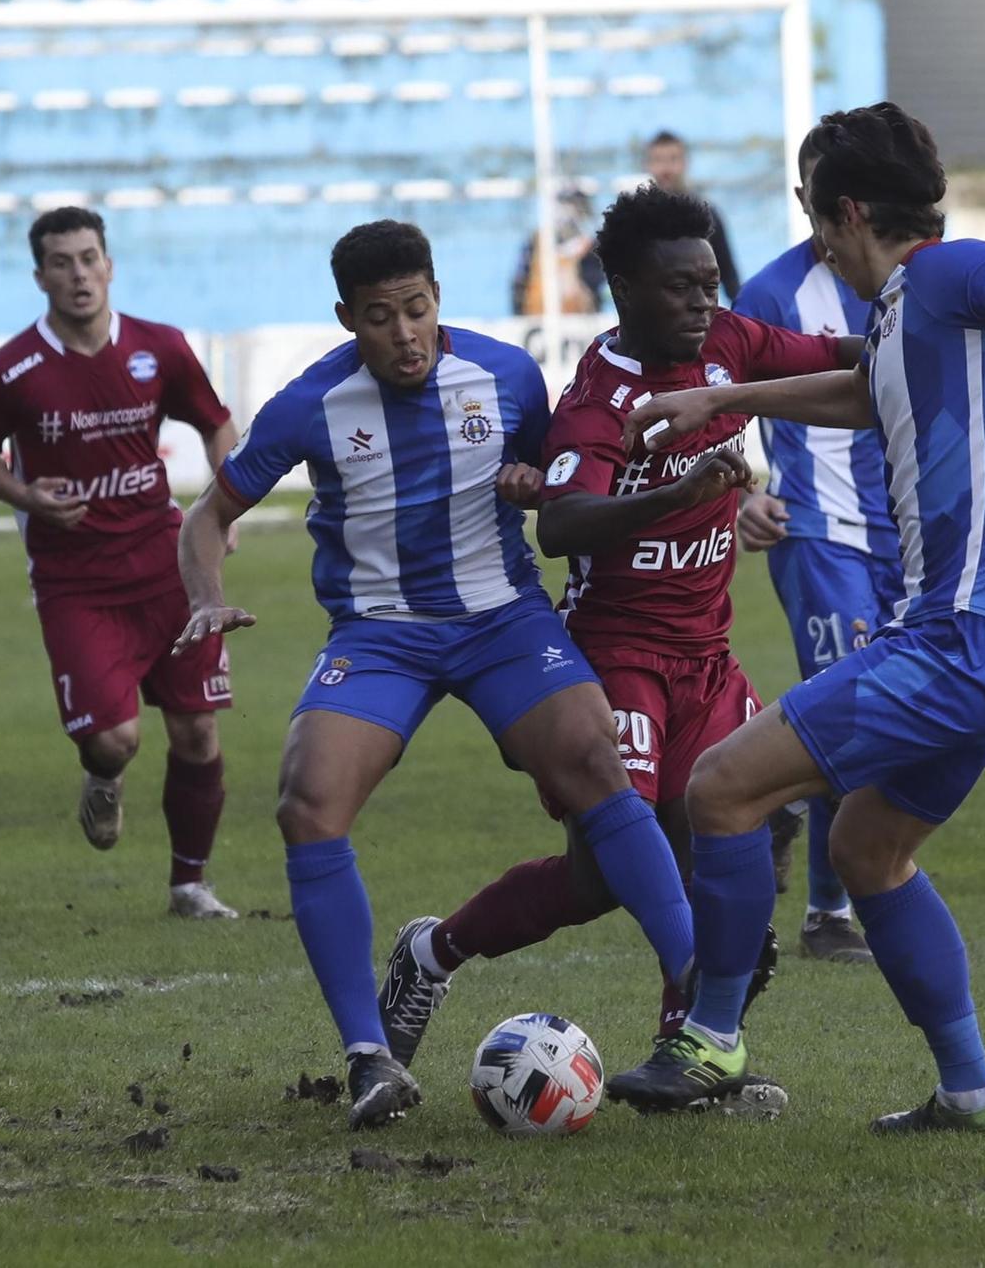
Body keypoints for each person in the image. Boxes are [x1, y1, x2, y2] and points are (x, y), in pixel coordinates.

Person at [600, 102, 985, 1133]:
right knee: (869, 848)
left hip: (961, 637)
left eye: (810, 210)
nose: (811, 233)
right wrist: (724, 404)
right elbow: (862, 392)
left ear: (845, 211)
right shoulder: (902, 312)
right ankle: (968, 1091)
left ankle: (709, 1040)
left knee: (717, 788)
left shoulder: (937, 273)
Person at [174, 220, 698, 1131]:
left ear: (438, 298)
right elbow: (207, 516)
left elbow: (561, 479)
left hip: (503, 618)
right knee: (307, 801)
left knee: (595, 765)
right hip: (380, 634)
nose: (404, 334)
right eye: (380, 318)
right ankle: (371, 1058)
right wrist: (207, 596)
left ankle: (702, 1007)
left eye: (416, 309)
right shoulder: (311, 402)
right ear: (348, 318)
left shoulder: (507, 376)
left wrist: (538, 483)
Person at [374, 184, 855, 1077]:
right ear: (625, 287)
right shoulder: (601, 398)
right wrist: (678, 494)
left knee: (700, 834)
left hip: (705, 658)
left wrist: (926, 333)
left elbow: (842, 356)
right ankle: (434, 953)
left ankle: (695, 1052)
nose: (704, 303)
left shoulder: (731, 345)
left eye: (710, 282)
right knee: (610, 874)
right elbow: (562, 522)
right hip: (614, 660)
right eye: (681, 287)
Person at [0, 207, 240, 918]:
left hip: (167, 565)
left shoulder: (160, 348)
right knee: (115, 740)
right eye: (62, 262)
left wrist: (223, 505)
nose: (79, 274)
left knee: (198, 728)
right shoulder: (11, 369)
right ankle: (102, 776)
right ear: (40, 276)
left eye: (89, 258)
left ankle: (189, 884)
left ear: (110, 265)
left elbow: (213, 422)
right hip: (75, 582)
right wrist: (27, 495)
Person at [732, 138, 904, 965]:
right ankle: (828, 913)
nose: (817, 208)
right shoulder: (771, 292)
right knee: (857, 712)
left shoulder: (911, 281)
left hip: (913, 541)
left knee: (900, 717)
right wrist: (743, 494)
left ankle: (779, 791)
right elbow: (720, 408)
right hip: (818, 536)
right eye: (804, 191)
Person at [645, 131, 740, 302]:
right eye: (658, 160)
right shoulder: (636, 220)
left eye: (673, 159)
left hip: (699, 317)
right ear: (648, 165)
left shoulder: (708, 215)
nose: (666, 169)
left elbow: (729, 277)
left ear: (685, 163)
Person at [509, 186, 605, 315]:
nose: (568, 213)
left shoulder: (591, 247)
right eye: (564, 205)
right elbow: (520, 282)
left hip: (580, 315)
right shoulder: (537, 241)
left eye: (576, 207)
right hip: (538, 315)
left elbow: (596, 285)